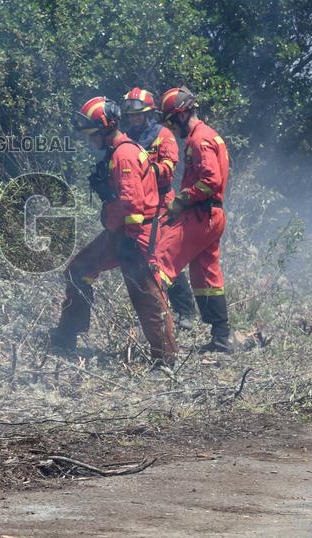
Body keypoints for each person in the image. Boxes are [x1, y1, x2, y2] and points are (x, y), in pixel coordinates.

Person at [51, 96, 177, 363]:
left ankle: (165, 359)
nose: (90, 139)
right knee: (78, 269)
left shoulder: (124, 154)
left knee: (146, 294)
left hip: (134, 235)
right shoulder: (119, 151)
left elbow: (133, 201)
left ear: (106, 128)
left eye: (93, 133)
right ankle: (67, 335)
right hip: (119, 233)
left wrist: (131, 239)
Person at [154, 86, 232, 353]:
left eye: (171, 122)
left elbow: (211, 180)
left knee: (160, 263)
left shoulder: (199, 140)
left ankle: (159, 339)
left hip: (201, 215)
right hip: (212, 215)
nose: (172, 129)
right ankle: (222, 337)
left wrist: (181, 200)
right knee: (206, 275)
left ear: (182, 114)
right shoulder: (210, 135)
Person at [120, 87, 198, 331]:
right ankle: (152, 309)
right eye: (131, 116)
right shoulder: (125, 138)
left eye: (138, 115)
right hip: (137, 205)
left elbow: (169, 168)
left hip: (161, 205)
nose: (134, 119)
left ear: (148, 114)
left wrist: (144, 170)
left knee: (164, 258)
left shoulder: (163, 135)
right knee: (139, 259)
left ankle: (185, 312)